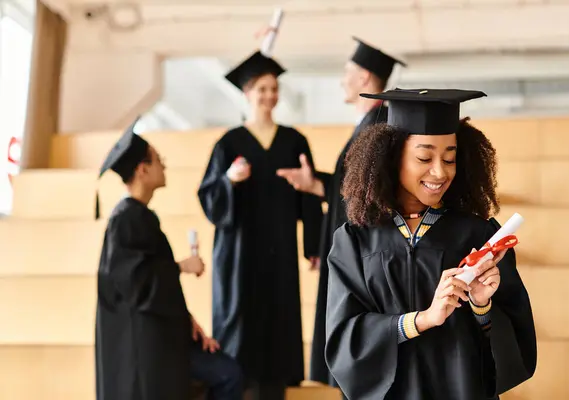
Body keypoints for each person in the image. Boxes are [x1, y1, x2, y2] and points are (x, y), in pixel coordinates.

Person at [324, 88, 537, 399]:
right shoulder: (355, 240)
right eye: (424, 157)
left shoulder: (478, 236)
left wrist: (482, 305)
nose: (440, 172)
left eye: (449, 159)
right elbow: (345, 338)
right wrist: (421, 320)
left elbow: (514, 347)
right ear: (392, 157)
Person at [275, 37, 407, 387]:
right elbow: (352, 186)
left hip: (365, 254)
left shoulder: (379, 125)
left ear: (365, 78)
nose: (341, 80)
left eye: (347, 73)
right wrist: (316, 183)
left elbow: (365, 191)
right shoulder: (370, 123)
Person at [198, 51, 323, 400]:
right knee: (240, 325)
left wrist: (312, 246)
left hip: (279, 250)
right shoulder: (229, 143)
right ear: (247, 92)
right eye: (262, 89)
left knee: (278, 329)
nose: (269, 95)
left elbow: (310, 194)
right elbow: (209, 198)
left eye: (274, 88)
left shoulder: (294, 141)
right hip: (239, 253)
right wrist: (229, 180)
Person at [95, 117, 243, 400]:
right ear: (142, 170)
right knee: (226, 375)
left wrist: (187, 321)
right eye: (158, 160)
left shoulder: (139, 216)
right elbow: (137, 281)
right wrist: (181, 266)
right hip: (146, 346)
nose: (164, 165)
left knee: (227, 372)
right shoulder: (126, 219)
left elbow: (153, 282)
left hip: (163, 335)